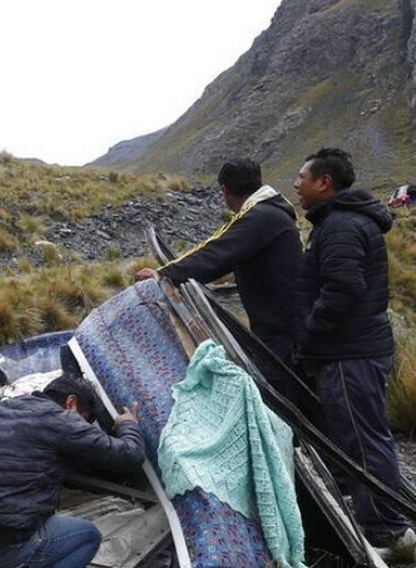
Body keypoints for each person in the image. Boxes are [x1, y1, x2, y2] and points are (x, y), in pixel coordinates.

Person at [293, 147, 415, 560]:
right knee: (361, 435)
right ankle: (379, 516)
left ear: (324, 182)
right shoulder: (340, 221)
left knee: (363, 440)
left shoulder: (341, 226)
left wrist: (309, 333)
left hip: (350, 352)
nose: (297, 184)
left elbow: (343, 289)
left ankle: (388, 532)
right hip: (357, 347)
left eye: (302, 177)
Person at [135, 158, 302, 394]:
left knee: (285, 393)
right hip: (283, 324)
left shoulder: (261, 216)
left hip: (284, 331)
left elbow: (217, 251)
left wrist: (164, 274)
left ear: (224, 190)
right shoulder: (269, 213)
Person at [0, 375, 144, 568]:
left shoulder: (5, 408)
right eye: (84, 421)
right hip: (3, 548)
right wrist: (128, 424)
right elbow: (130, 455)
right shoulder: (63, 421)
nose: (83, 427)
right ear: (71, 402)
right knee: (88, 537)